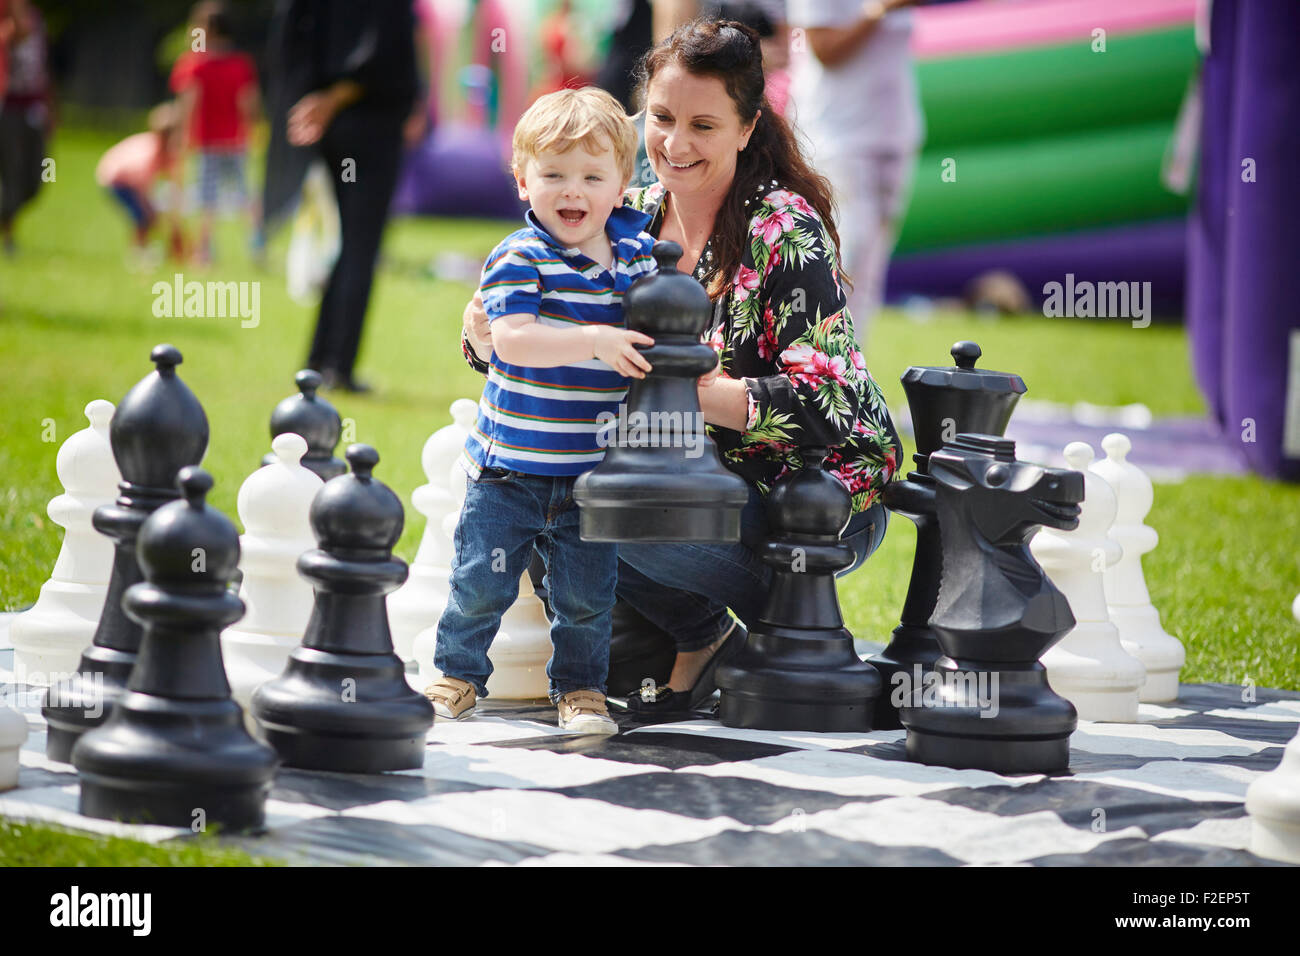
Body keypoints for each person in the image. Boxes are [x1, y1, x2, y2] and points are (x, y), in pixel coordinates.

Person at [463, 19, 902, 713]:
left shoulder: (782, 229)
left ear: (748, 127)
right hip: (691, 477)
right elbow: (544, 334)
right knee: (539, 492)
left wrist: (690, 396)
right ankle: (698, 643)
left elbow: (830, 407)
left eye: (704, 124)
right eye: (662, 118)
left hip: (817, 493)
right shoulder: (625, 213)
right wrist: (485, 332)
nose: (674, 143)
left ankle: (792, 630)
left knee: (618, 510)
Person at [427, 87, 660, 734]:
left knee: (587, 597)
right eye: (553, 174)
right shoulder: (517, 256)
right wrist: (592, 340)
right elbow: (512, 340)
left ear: (622, 186)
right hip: (512, 468)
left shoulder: (639, 259)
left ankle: (580, 690)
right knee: (481, 582)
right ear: (522, 181)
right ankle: (457, 674)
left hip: (594, 472)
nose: (572, 191)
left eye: (592, 175)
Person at [280, 0, 422, 393]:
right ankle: (338, 367)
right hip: (368, 122)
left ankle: (317, 359)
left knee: (344, 244)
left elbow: (293, 36)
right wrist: (334, 98)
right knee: (360, 247)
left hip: (326, 123)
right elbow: (386, 51)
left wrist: (311, 98)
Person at [786, 0, 924, 347]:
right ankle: (817, 366)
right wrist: (878, 11)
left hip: (892, 135)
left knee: (870, 269)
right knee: (845, 255)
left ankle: (851, 372)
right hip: (837, 137)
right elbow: (824, 50)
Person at [171, 2, 260, 266]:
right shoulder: (241, 65)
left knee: (207, 199)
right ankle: (258, 245)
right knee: (246, 195)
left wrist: (182, 138)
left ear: (205, 30)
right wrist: (253, 131)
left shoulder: (194, 65)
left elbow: (189, 104)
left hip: (207, 143)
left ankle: (204, 251)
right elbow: (249, 103)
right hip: (236, 141)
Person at [95, 103, 188, 266]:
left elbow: (175, 188)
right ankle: (138, 252)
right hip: (116, 179)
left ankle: (145, 249)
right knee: (142, 216)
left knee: (148, 215)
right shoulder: (150, 152)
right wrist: (150, 210)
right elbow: (140, 187)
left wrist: (175, 224)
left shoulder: (170, 154)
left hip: (132, 182)